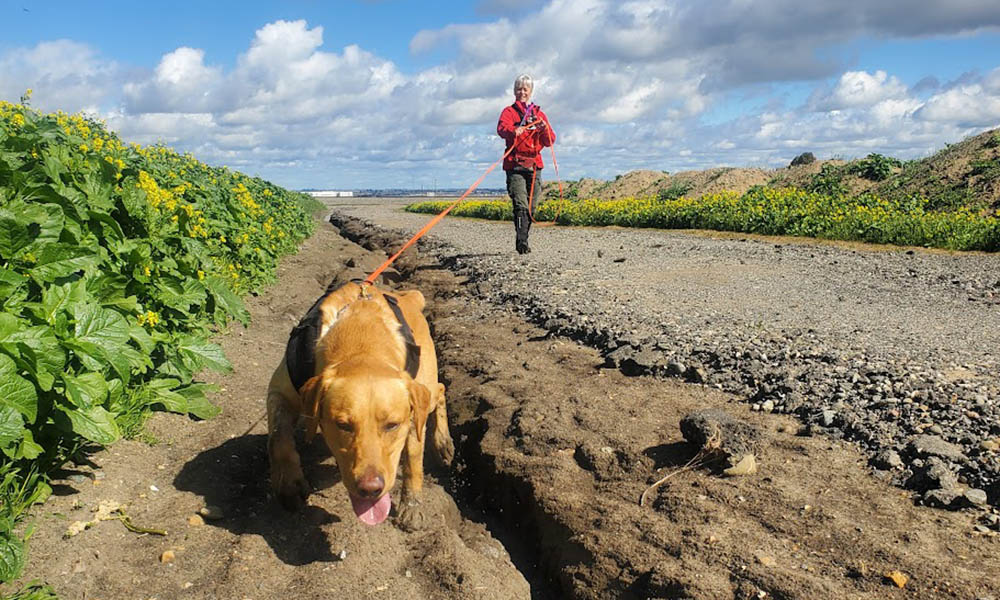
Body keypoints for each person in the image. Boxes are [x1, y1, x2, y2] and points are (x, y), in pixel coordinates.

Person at [497, 74, 555, 254]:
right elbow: (501, 130)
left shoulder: (539, 114)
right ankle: (522, 243)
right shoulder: (508, 112)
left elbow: (550, 140)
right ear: (514, 91)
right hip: (515, 165)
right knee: (520, 204)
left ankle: (524, 238)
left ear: (530, 92)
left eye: (525, 89)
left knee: (532, 206)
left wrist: (544, 128)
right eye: (519, 89)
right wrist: (514, 130)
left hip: (535, 165)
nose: (522, 92)